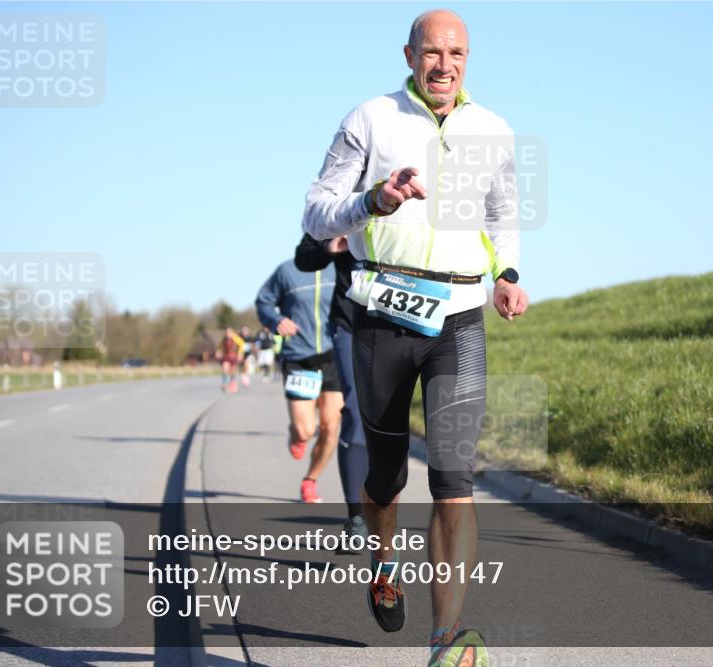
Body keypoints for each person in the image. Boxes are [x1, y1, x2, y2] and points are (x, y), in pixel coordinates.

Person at [302, 9, 528, 666]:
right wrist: (371, 201)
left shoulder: (494, 130)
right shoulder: (370, 118)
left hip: (459, 315)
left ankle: (443, 641)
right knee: (387, 475)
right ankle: (380, 557)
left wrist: (507, 273)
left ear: (468, 59)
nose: (445, 65)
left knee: (455, 477)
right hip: (382, 311)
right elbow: (317, 210)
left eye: (456, 53)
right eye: (432, 52)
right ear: (409, 55)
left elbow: (504, 215)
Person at [295, 232, 370, 552]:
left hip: (406, 321)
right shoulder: (341, 204)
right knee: (353, 412)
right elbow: (304, 257)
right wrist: (329, 247)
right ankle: (356, 517)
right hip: (350, 326)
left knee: (385, 419)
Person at [255, 256, 342, 504]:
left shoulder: (339, 268)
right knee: (307, 430)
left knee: (330, 427)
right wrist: (276, 320)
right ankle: (296, 433)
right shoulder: (287, 271)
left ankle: (310, 480)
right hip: (299, 358)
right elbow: (264, 302)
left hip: (333, 356)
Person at [216, 327, 244, 393]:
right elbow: (220, 347)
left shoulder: (236, 339)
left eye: (229, 332)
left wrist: (240, 354)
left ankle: (232, 383)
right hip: (226, 356)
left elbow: (241, 345)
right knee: (224, 368)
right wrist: (218, 352)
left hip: (234, 356)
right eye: (226, 332)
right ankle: (224, 383)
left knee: (232, 371)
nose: (227, 334)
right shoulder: (224, 339)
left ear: (232, 332)